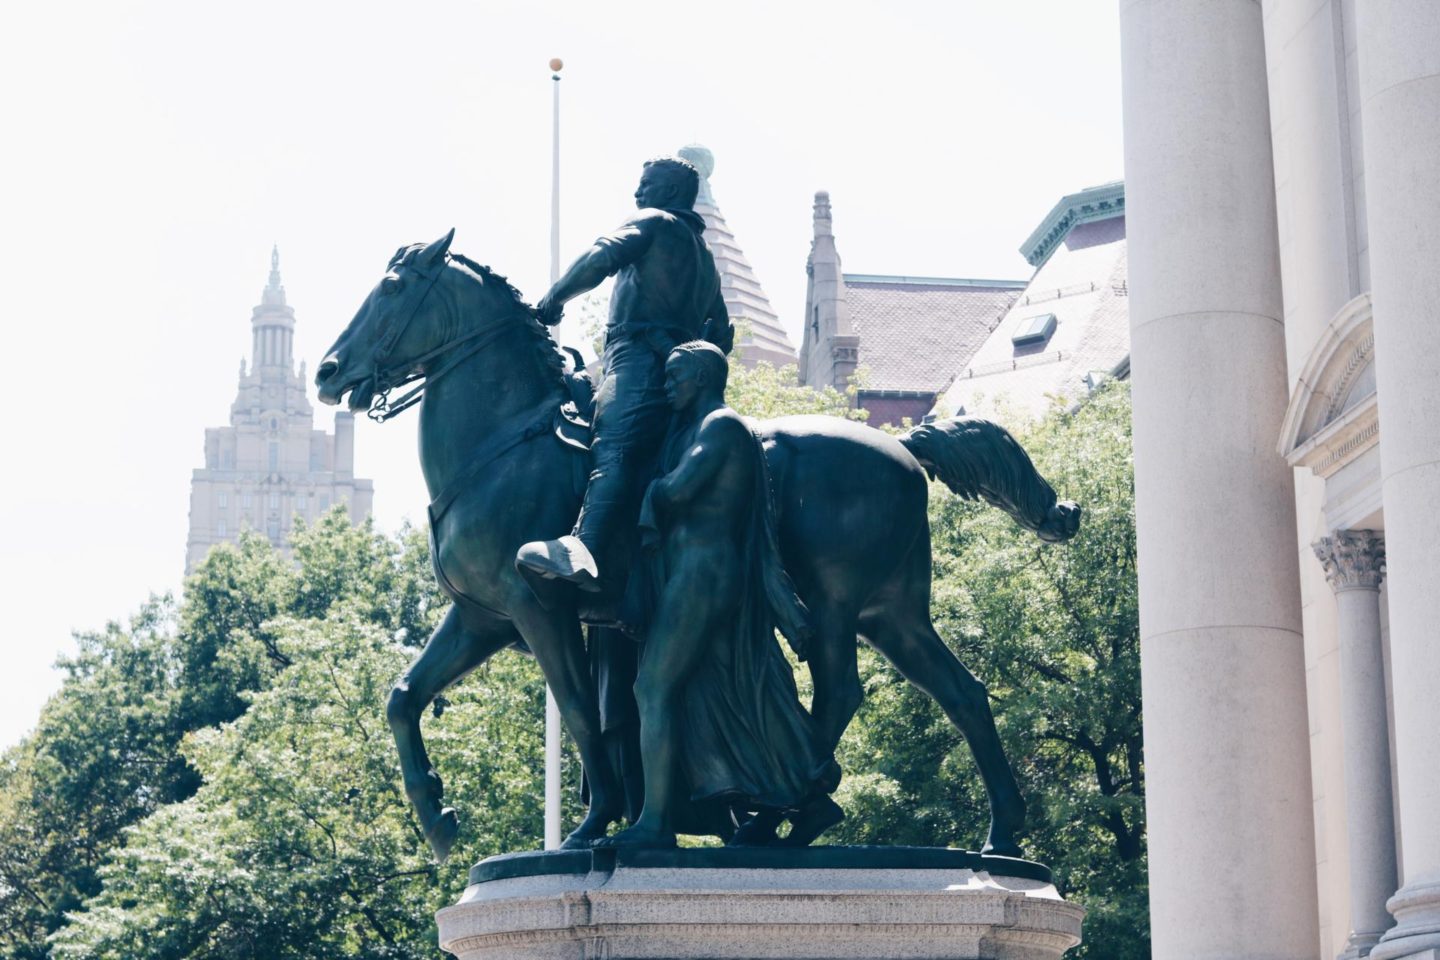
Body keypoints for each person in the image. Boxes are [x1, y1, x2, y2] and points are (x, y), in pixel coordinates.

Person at [601, 341, 840, 849]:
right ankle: (810, 793)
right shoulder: (696, 428)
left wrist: (640, 491)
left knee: (652, 688)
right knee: (731, 692)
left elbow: (679, 490)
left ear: (705, 377)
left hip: (704, 574)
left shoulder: (723, 426)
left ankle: (655, 823)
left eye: (676, 376)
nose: (668, 387)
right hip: (691, 572)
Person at [516, 157, 732, 595]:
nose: (638, 194)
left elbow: (602, 256)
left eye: (646, 185)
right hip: (676, 368)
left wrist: (553, 299)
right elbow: (721, 335)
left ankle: (586, 549)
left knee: (613, 444)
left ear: (669, 193)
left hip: (638, 358)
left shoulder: (652, 222)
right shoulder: (706, 260)